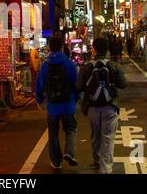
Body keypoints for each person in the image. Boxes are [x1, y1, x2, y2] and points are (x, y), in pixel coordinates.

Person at [76, 38, 127, 174]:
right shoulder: (113, 66)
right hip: (110, 106)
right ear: (107, 50)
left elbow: (78, 86)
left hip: (92, 107)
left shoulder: (86, 67)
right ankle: (105, 168)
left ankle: (97, 160)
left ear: (94, 49)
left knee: (95, 136)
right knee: (108, 138)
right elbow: (123, 84)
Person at [35, 37, 79, 170]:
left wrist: (39, 100)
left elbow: (40, 84)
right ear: (62, 47)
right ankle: (69, 152)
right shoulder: (69, 64)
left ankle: (56, 161)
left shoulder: (45, 65)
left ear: (49, 48)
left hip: (53, 106)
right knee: (71, 128)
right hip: (68, 104)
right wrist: (75, 98)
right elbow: (75, 84)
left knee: (53, 133)